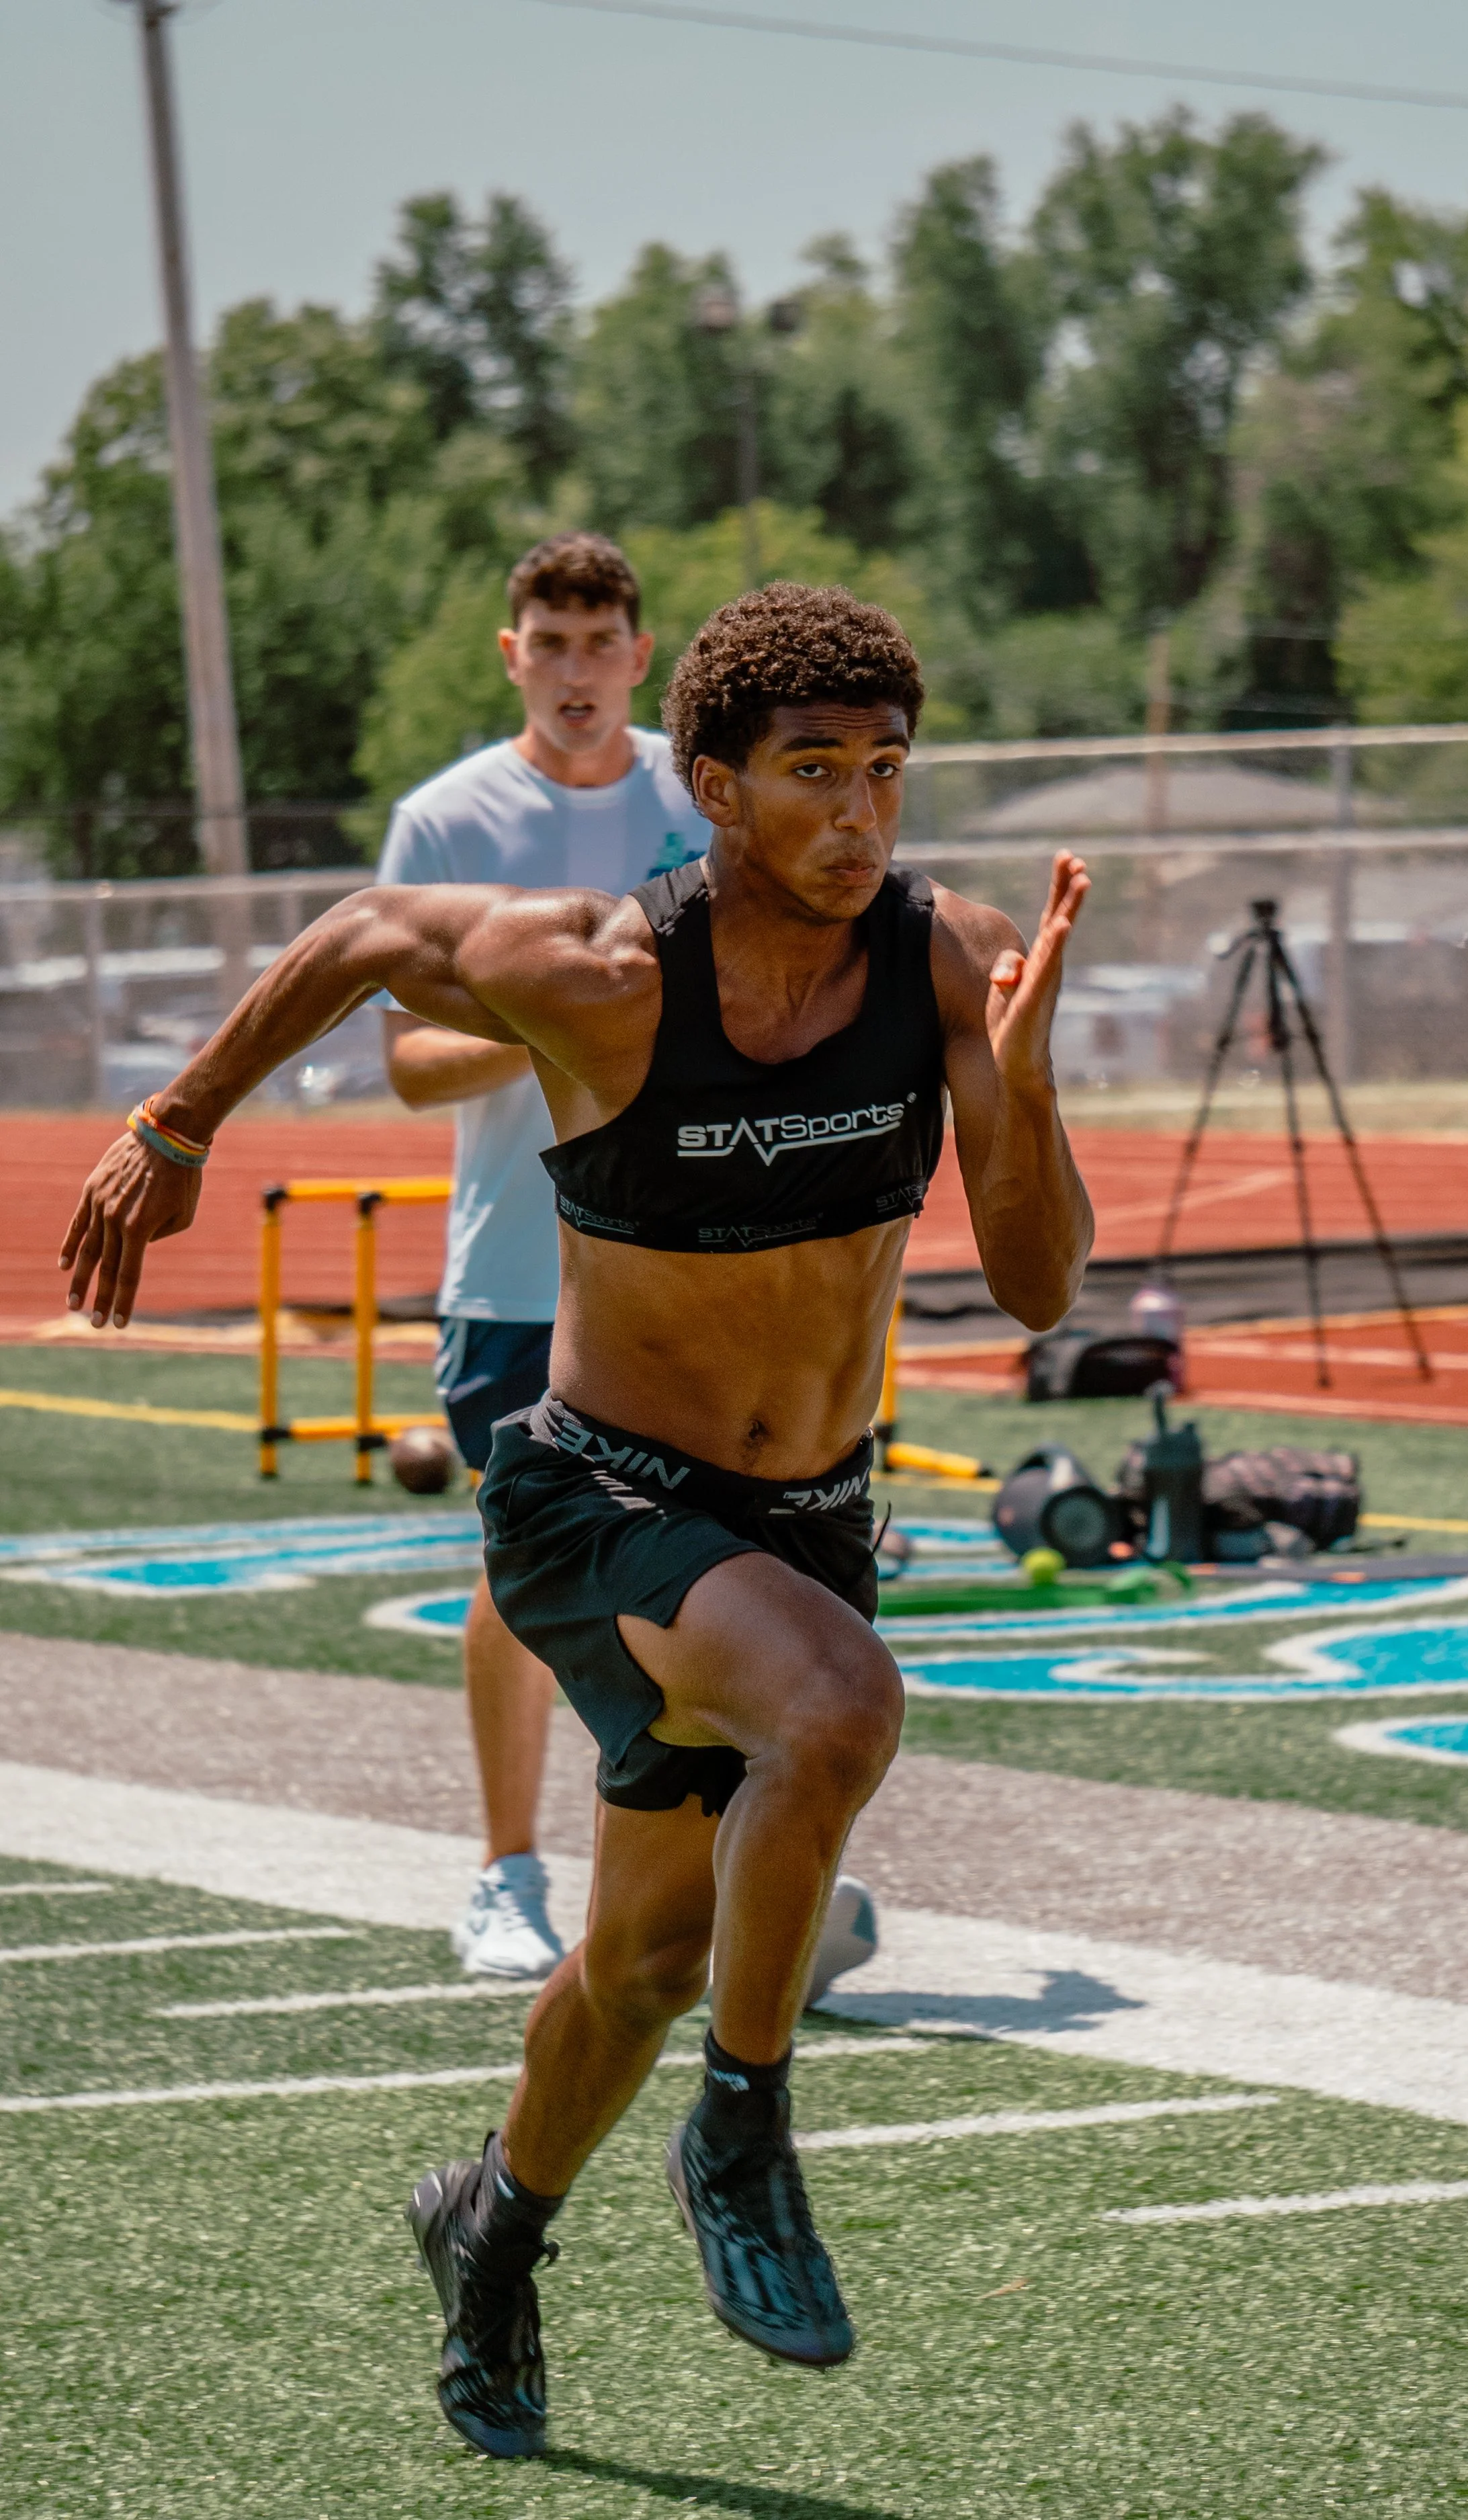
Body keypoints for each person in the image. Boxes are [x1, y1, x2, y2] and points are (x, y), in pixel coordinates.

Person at [60, 582, 1093, 2461]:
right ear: (709, 785)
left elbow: (1031, 1289)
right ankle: (747, 2132)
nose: (857, 813)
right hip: (597, 1493)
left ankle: (493, 2219)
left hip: (806, 1512)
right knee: (838, 1707)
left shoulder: (947, 961)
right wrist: (183, 1121)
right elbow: (371, 929)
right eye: (809, 775)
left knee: (635, 1960)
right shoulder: (611, 969)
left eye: (882, 771)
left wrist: (1021, 1094)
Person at [378, 529, 709, 1982]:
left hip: (693, 1265)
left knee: (720, 1575)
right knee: (521, 1583)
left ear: (641, 655)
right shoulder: (445, 822)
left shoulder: (700, 795)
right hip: (519, 1273)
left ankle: (727, 1866)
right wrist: (554, 1012)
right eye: (548, 643)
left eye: (601, 643)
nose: (576, 670)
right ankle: (505, 1876)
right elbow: (407, 1062)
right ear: (512, 655)